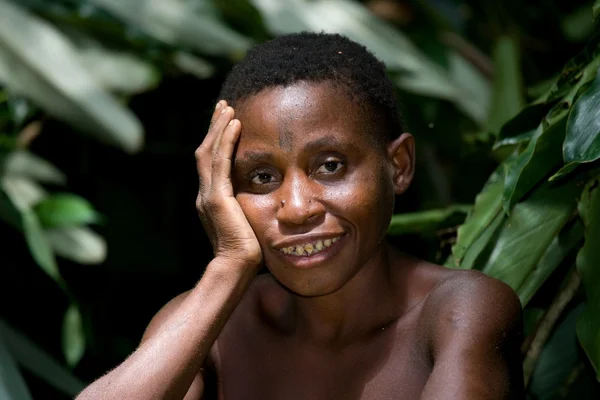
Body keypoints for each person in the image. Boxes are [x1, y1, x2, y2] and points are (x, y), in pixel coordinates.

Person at [76, 32, 524, 400]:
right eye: (262, 177)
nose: (296, 208)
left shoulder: (456, 310)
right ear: (224, 192)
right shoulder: (212, 330)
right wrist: (229, 266)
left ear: (398, 166)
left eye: (330, 166)